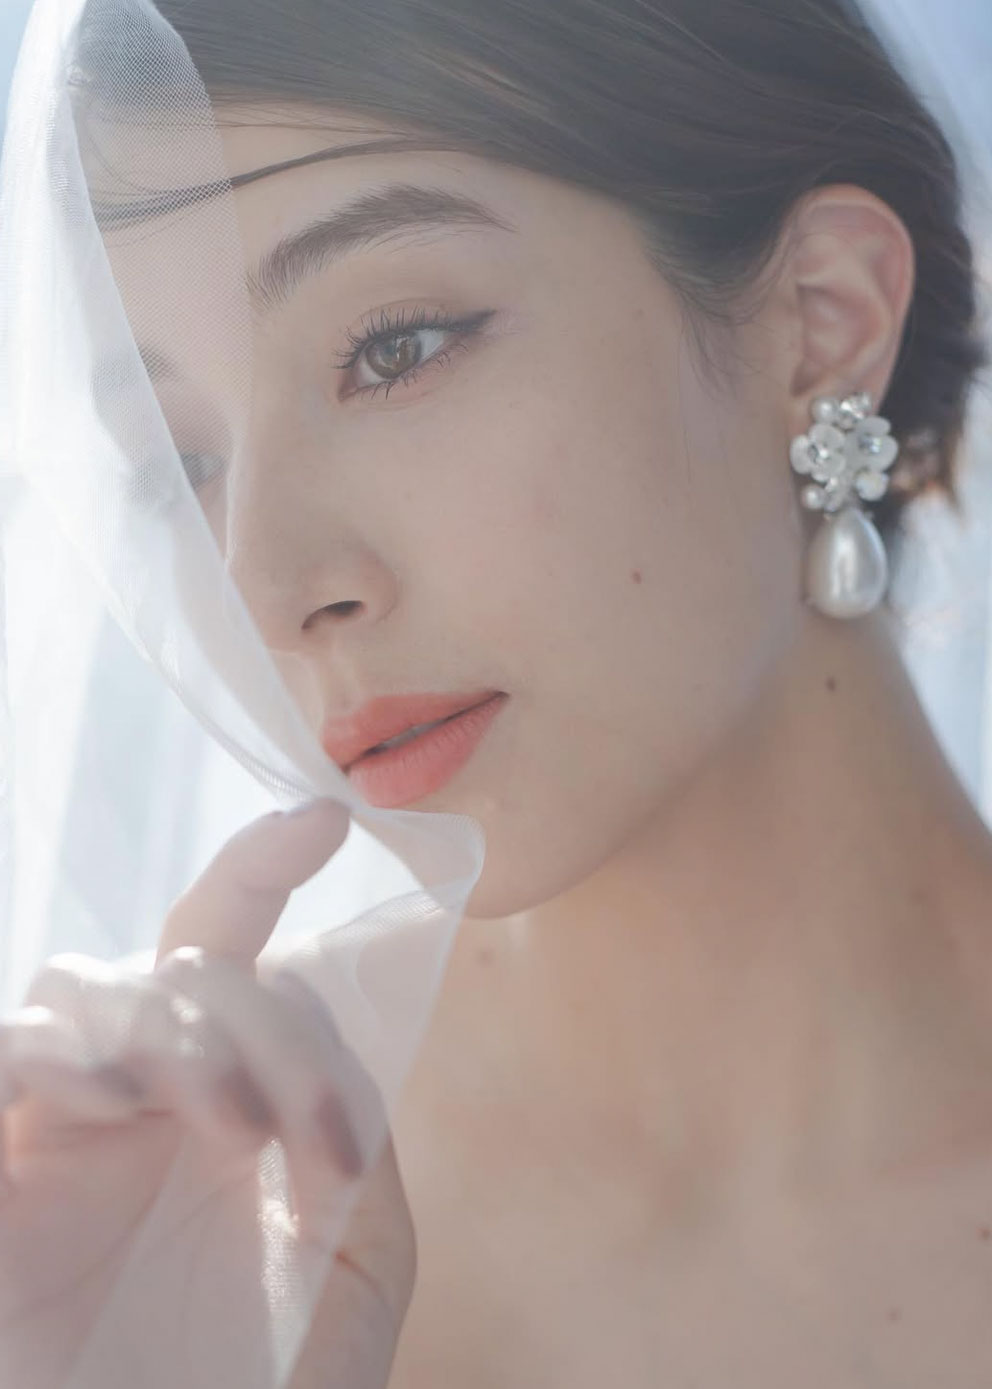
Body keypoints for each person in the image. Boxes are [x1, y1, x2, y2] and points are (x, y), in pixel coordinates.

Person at [2, 0, 992, 1384]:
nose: (273, 581)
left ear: (823, 323)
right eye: (180, 459)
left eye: (396, 348)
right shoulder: (172, 1214)